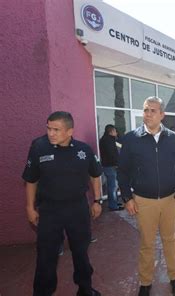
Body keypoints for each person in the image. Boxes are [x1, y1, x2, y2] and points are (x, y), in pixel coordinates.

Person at [22, 111, 103, 296]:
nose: (51, 133)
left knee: (81, 252)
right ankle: (42, 292)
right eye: (48, 128)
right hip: (49, 210)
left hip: (78, 209)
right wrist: (29, 207)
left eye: (56, 130)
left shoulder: (84, 150)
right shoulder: (39, 147)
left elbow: (95, 174)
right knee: (45, 256)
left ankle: (85, 289)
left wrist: (97, 200)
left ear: (69, 131)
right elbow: (31, 180)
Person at [117, 96, 175, 296]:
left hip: (169, 200)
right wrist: (127, 198)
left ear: (162, 115)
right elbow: (122, 171)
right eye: (146, 110)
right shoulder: (131, 138)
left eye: (153, 111)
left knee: (170, 240)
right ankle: (145, 282)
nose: (148, 114)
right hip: (143, 200)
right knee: (147, 243)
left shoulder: (173, 138)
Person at [99, 124, 122, 211]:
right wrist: (117, 164)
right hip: (111, 166)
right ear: (111, 131)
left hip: (108, 165)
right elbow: (112, 154)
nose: (116, 133)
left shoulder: (105, 139)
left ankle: (114, 203)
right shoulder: (109, 140)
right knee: (113, 186)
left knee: (113, 186)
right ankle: (113, 205)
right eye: (115, 131)